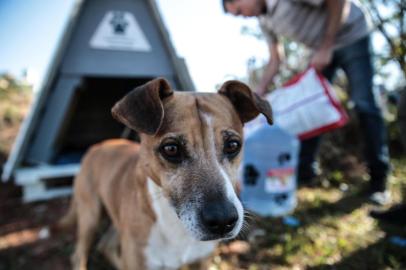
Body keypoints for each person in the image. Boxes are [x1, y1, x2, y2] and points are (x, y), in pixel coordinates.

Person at [223, 0, 391, 204]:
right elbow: (276, 59)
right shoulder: (265, 20)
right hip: (320, 50)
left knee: (363, 103)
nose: (244, 17)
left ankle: (379, 181)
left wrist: (326, 47)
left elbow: (338, 2)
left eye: (240, 11)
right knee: (310, 111)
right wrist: (256, 95)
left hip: (351, 35)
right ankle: (306, 174)